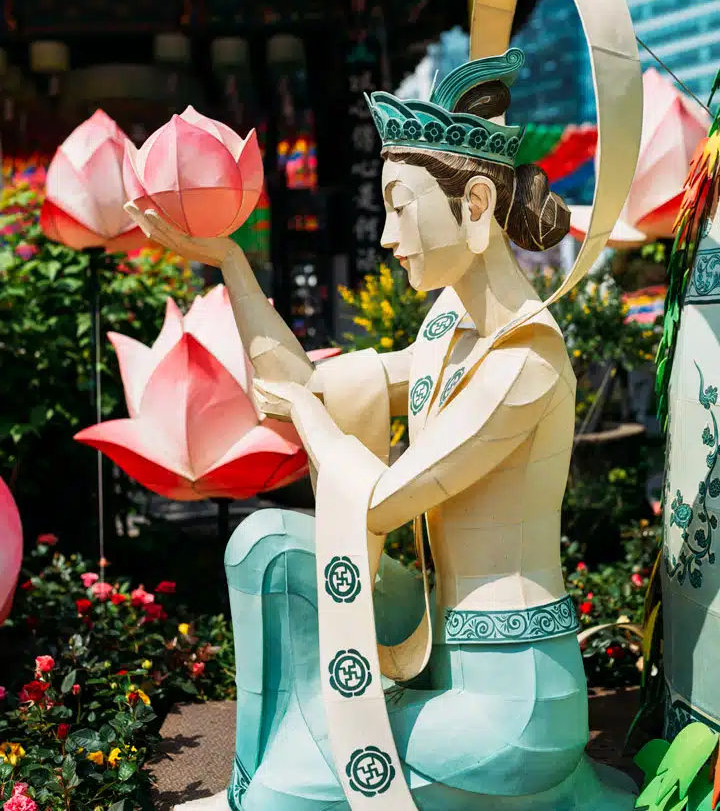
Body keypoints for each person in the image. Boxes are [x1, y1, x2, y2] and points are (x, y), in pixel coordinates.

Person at [128, 50, 636, 811]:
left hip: (513, 708)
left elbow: (373, 503)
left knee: (309, 762)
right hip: (443, 661)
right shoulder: (449, 331)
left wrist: (304, 412)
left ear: (470, 209)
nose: (389, 238)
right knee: (270, 550)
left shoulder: (524, 362)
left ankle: (267, 789)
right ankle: (266, 781)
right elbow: (306, 388)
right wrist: (230, 261)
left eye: (401, 207)